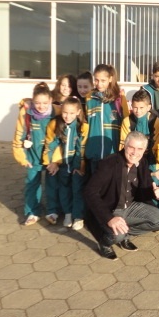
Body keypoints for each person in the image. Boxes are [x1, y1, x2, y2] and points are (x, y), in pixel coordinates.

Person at [83, 131, 159, 260]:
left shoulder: (143, 163)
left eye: (140, 149)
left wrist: (154, 192)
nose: (135, 153)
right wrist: (109, 218)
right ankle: (105, 243)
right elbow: (89, 192)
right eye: (131, 147)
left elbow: (142, 192)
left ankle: (124, 235)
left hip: (130, 206)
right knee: (116, 235)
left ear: (144, 150)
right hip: (111, 209)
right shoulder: (109, 163)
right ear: (124, 145)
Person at [12, 82, 59, 226]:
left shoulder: (57, 112)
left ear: (51, 100)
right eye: (37, 103)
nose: (41, 106)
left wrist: (57, 160)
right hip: (32, 157)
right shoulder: (26, 113)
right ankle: (32, 212)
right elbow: (18, 136)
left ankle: (52, 211)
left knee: (52, 185)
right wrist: (21, 157)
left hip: (52, 158)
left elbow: (62, 138)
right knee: (32, 185)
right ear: (32, 101)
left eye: (45, 103)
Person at [44, 96, 89, 230]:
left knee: (77, 190)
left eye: (71, 113)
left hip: (76, 167)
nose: (67, 116)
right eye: (65, 112)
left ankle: (78, 217)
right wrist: (52, 162)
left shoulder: (82, 127)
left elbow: (81, 148)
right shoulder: (59, 125)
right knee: (64, 190)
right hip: (63, 166)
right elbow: (52, 144)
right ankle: (68, 214)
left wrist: (79, 166)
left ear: (78, 112)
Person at [85, 64, 129, 173]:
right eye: (96, 80)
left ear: (110, 79)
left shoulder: (119, 98)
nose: (99, 84)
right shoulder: (89, 98)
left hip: (112, 154)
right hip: (94, 153)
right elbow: (85, 125)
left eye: (103, 80)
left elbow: (126, 124)